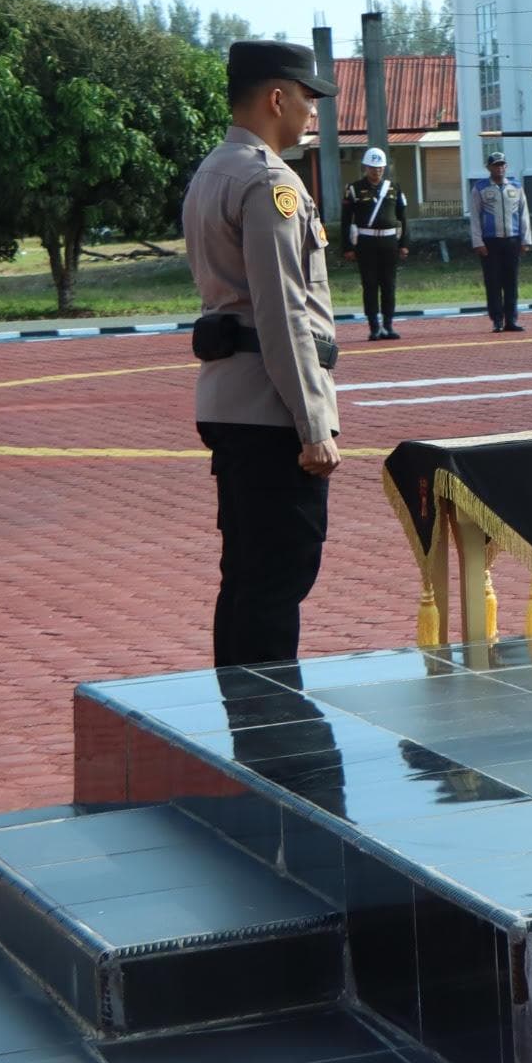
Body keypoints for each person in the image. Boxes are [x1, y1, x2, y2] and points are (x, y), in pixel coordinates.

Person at [183, 40, 342, 667]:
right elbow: (282, 314)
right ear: (277, 98)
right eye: (307, 97)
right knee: (278, 577)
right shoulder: (270, 181)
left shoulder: (214, 170)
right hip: (271, 410)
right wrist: (313, 424)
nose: (312, 111)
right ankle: (269, 719)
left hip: (231, 399)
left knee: (247, 579)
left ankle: (241, 709)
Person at [341, 146, 410, 340]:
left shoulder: (394, 188)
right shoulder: (354, 189)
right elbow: (346, 220)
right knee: (369, 284)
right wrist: (347, 247)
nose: (376, 171)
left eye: (379, 167)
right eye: (372, 167)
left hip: (389, 242)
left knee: (389, 284)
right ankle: (374, 327)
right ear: (365, 167)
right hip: (366, 243)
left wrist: (404, 243)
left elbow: (403, 218)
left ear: (384, 168)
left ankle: (388, 326)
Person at [469, 150, 532, 332]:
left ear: (506, 166)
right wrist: (478, 242)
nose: (500, 168)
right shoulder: (480, 188)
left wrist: (526, 240)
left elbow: (524, 214)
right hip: (490, 242)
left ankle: (511, 319)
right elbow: (475, 216)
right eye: (496, 165)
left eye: (502, 164)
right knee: (493, 281)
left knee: (511, 281)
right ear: (488, 167)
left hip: (512, 240)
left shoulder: (516, 186)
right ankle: (497, 319)